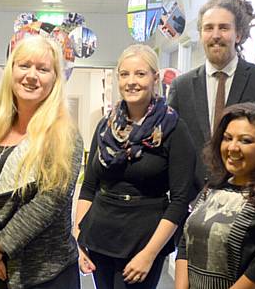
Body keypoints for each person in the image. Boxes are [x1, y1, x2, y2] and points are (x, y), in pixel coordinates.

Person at [0, 35, 83, 289]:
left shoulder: (64, 136)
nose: (32, 75)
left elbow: (49, 204)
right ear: (11, 71)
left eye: (43, 69)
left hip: (44, 274)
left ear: (55, 79)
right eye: (24, 65)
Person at [75, 44, 195, 288]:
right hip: (99, 235)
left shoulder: (173, 128)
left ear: (155, 78)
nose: (131, 81)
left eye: (140, 74)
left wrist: (149, 254)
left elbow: (180, 201)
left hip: (143, 239)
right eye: (124, 74)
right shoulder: (105, 126)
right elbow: (89, 186)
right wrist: (79, 238)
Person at [175, 102, 255, 289]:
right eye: (227, 138)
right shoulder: (214, 186)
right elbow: (186, 243)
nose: (233, 147)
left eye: (245, 140)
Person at [167, 0, 255, 199]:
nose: (216, 35)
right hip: (191, 201)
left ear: (238, 34)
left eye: (224, 27)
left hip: (248, 199)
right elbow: (171, 149)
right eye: (208, 28)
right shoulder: (181, 86)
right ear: (201, 34)